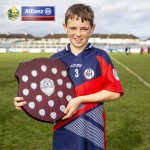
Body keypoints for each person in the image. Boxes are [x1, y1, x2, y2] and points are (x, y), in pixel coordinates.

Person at [14, 3, 124, 150]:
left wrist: (81, 99)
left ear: (92, 28)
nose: (78, 34)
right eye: (73, 28)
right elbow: (46, 94)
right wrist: (25, 102)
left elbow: (115, 92)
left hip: (93, 132)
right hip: (64, 131)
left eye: (84, 29)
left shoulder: (101, 57)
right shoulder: (55, 60)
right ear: (65, 27)